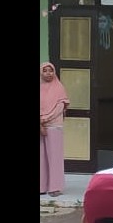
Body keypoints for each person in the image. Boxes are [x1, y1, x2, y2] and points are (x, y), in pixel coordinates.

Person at [40, 61, 70, 197]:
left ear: (54, 72)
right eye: (45, 70)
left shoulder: (59, 88)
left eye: (50, 70)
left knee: (54, 157)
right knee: (41, 157)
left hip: (54, 125)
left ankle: (55, 187)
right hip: (40, 126)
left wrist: (45, 118)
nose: (48, 73)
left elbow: (60, 107)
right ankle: (42, 186)